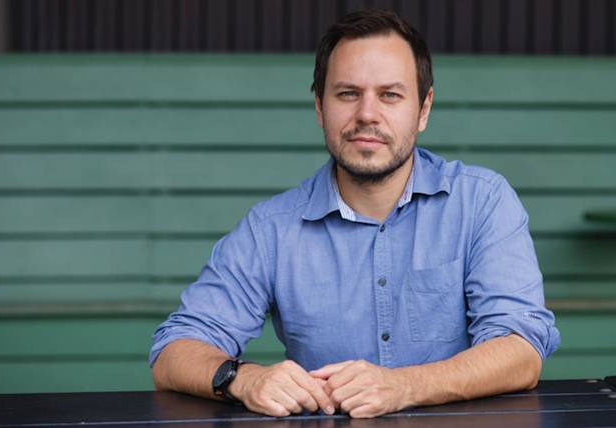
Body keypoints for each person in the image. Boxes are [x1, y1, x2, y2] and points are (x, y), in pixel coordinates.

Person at [150, 9, 560, 419]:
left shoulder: (482, 202)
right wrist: (243, 378)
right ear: (319, 107)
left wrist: (403, 385)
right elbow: (174, 351)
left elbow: (520, 349)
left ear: (423, 109)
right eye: (347, 93)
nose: (367, 113)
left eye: (390, 95)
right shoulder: (271, 229)